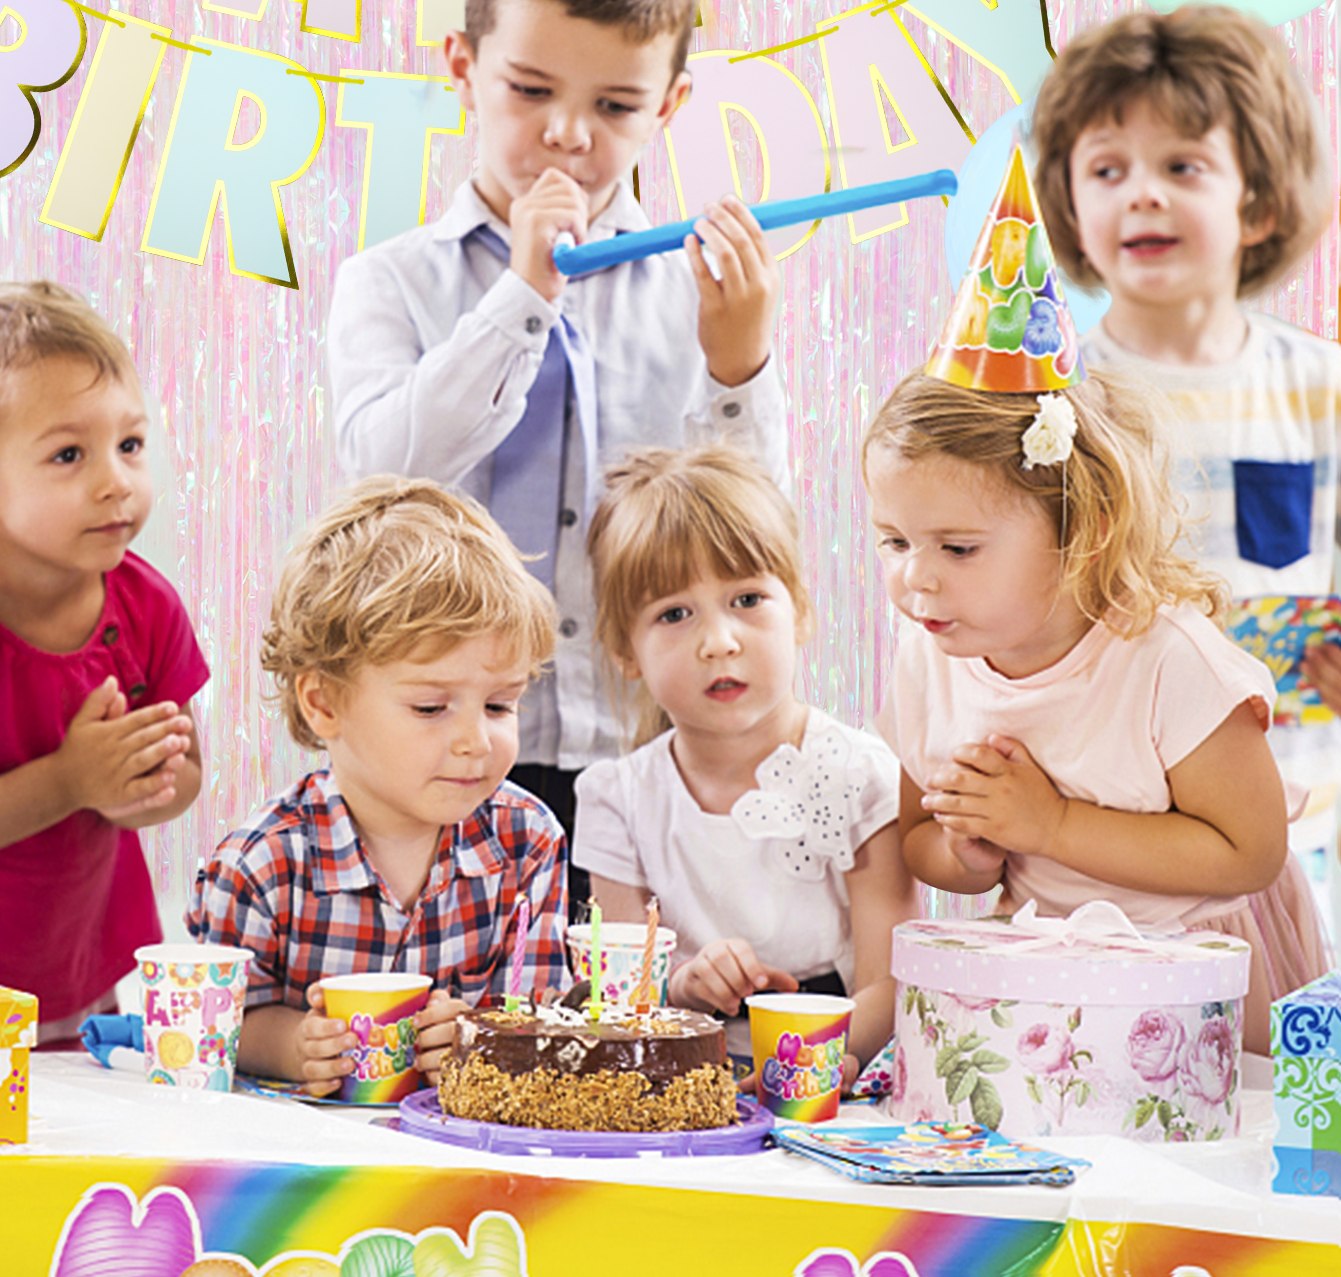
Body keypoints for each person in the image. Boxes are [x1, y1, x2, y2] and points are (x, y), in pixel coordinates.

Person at [328, 0, 789, 893]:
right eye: (530, 90)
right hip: (436, 762)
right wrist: (520, 298)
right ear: (463, 68)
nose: (570, 135)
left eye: (615, 105)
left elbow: (752, 537)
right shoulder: (390, 283)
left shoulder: (698, 292)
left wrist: (737, 364)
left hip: (645, 758)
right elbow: (386, 473)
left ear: (668, 105)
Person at [865, 366, 1328, 1053]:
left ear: (1083, 533)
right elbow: (918, 840)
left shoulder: (1167, 660)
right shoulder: (925, 663)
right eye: (895, 541)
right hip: (1045, 966)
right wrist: (967, 851)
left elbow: (1251, 854)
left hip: (1193, 966)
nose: (915, 577)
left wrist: (1050, 824)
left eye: (958, 548)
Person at [188, 477, 569, 1092]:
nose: (476, 740)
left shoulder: (528, 843)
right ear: (323, 703)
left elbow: (546, 1021)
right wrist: (292, 1046)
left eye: (500, 705)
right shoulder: (260, 865)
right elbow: (218, 1024)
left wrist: (480, 1038)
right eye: (430, 708)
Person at [1031, 5, 1339, 742]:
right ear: (1071, 209)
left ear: (1257, 203)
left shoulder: (1324, 389)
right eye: (1107, 170)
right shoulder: (1049, 402)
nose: (1143, 193)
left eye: (1182, 166)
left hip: (1297, 787)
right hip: (1109, 785)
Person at [0, 281, 206, 1046]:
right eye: (69, 454)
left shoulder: (148, 606)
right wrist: (71, 780)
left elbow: (187, 774)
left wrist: (136, 786)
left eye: (129, 445)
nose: (117, 482)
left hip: (88, 968)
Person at [573, 445, 916, 1073]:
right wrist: (683, 985)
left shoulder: (861, 774)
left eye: (747, 600)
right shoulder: (616, 799)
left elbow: (889, 982)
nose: (719, 641)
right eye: (675, 614)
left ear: (801, 611)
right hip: (675, 1081)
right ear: (625, 651)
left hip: (834, 1073)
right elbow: (617, 998)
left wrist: (813, 1067)